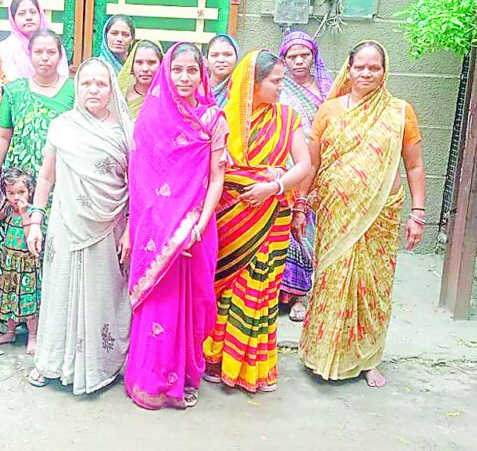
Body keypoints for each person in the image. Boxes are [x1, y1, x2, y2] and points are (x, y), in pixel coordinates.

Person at [298, 40, 425, 388]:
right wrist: (300, 204)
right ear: (349, 69)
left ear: (384, 71)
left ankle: (367, 359)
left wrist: (418, 213)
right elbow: (312, 163)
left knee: (372, 287)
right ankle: (321, 354)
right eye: (360, 67)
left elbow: (414, 165)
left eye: (374, 67)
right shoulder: (330, 111)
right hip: (335, 215)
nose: (367, 73)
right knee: (331, 282)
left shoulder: (400, 112)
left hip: (380, 217)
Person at [125, 42, 228, 410]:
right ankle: (149, 379)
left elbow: (217, 177)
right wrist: (165, 228)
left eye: (191, 70)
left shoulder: (214, 119)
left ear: (202, 75)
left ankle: (184, 377)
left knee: (194, 303)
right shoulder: (151, 117)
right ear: (166, 74)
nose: (184, 77)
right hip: (158, 231)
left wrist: (198, 224)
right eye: (177, 70)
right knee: (160, 303)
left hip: (198, 228)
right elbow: (142, 180)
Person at [203, 49, 312, 393]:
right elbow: (215, 170)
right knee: (228, 287)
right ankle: (217, 360)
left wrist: (273, 186)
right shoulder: (224, 119)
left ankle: (253, 366)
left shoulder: (288, 118)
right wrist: (249, 179)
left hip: (271, 218)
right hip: (231, 218)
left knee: (261, 290)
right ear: (253, 83)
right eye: (275, 81)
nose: (281, 86)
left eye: (282, 80)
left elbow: (304, 165)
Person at [25, 58, 133, 395]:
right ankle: (51, 361)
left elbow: (136, 186)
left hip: (109, 226)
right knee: (59, 288)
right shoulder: (62, 126)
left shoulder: (125, 131)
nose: (93, 89)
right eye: (86, 83)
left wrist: (131, 230)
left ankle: (100, 365)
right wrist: (35, 220)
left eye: (101, 83)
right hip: (65, 222)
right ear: (77, 87)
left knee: (102, 293)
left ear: (111, 88)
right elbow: (46, 176)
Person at [278, 30, 334, 322]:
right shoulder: (278, 88)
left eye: (305, 55)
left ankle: (302, 295)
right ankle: (281, 293)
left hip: (319, 169)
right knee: (284, 232)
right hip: (285, 167)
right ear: (283, 60)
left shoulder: (328, 90)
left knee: (308, 232)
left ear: (314, 57)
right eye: (292, 56)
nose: (299, 61)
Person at [0, 29, 76, 183]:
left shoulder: (74, 90)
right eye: (38, 52)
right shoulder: (14, 91)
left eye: (51, 52)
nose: (44, 58)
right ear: (29, 55)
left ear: (60, 56)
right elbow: (2, 137)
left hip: (59, 179)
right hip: (18, 184)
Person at [0, 167, 42, 354]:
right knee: (9, 299)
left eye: (21, 192)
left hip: (26, 266)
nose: (16, 197)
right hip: (9, 264)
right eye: (11, 193)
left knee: (28, 301)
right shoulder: (9, 209)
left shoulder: (33, 213)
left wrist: (25, 213)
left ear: (30, 191)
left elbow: (29, 236)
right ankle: (10, 332)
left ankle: (33, 336)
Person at [0, 0, 69, 80]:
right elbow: (12, 82)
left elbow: (63, 79)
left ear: (41, 15)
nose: (28, 17)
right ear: (13, 19)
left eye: (33, 12)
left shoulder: (54, 46)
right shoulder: (5, 48)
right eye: (22, 13)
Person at [117, 39, 163, 119]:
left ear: (161, 64)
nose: (145, 69)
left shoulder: (167, 97)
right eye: (139, 62)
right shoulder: (120, 96)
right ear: (131, 64)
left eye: (151, 62)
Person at [205, 34, 240, 106]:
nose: (221, 60)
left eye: (227, 55)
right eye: (214, 55)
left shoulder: (242, 90)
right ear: (206, 61)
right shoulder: (197, 89)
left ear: (237, 59)